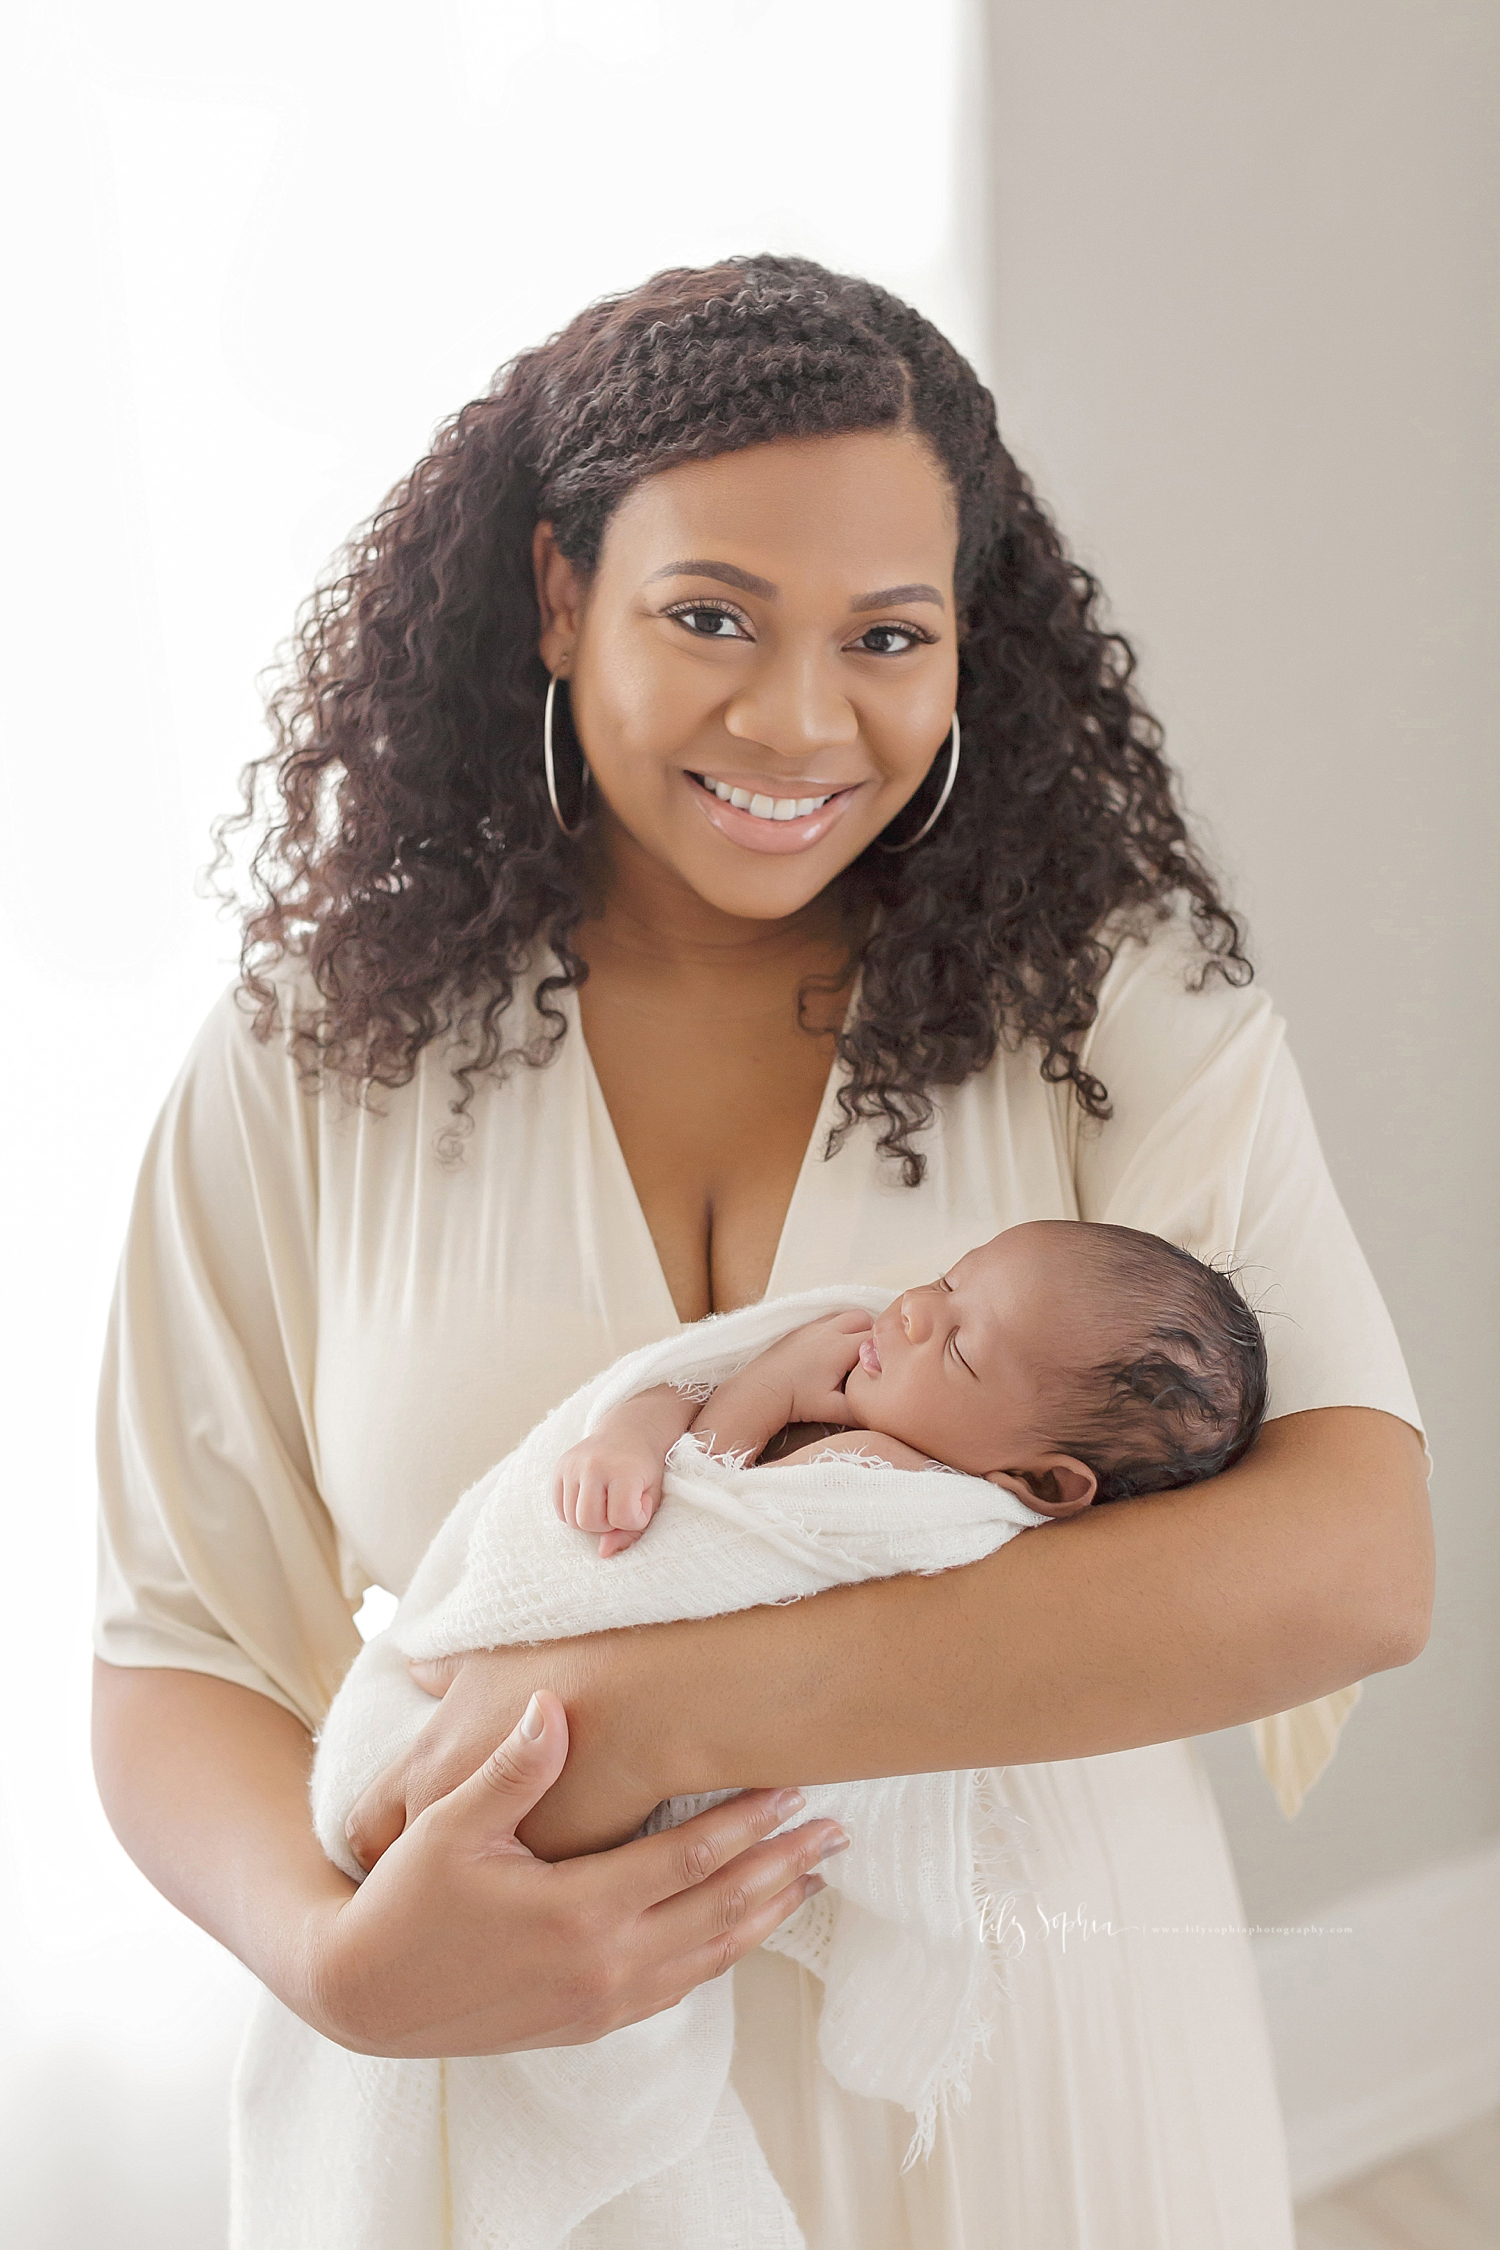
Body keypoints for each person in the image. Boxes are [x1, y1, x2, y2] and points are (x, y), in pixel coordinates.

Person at [91, 254, 1430, 2247]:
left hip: (1033, 2082)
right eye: (711, 614)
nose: (802, 719)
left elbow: (1354, 1563)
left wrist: (658, 1714)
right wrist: (341, 1959)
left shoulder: (1108, 999)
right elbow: (176, 1648)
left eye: (888, 635)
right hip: (517, 2086)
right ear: (559, 597)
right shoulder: (306, 1063)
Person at [551, 1221, 1269, 1556]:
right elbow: (682, 1383)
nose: (915, 1309)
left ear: (1041, 1481)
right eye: (950, 1279)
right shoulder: (861, 1364)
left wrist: (769, 1383)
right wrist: (622, 1436)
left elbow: (694, 1525)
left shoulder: (894, 1482)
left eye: (958, 1348)